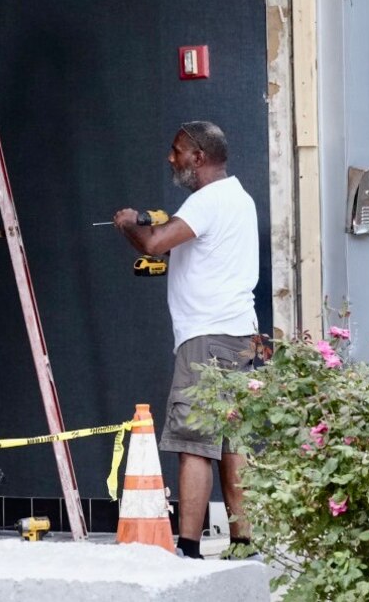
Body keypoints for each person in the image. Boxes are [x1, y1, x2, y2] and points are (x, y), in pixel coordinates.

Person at [112, 120, 259, 560]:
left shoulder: (206, 200)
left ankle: (189, 548)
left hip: (205, 338)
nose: (170, 158)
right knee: (233, 442)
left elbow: (154, 243)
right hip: (241, 336)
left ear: (198, 155)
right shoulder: (239, 197)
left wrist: (127, 224)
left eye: (177, 151)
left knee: (193, 444)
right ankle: (242, 541)